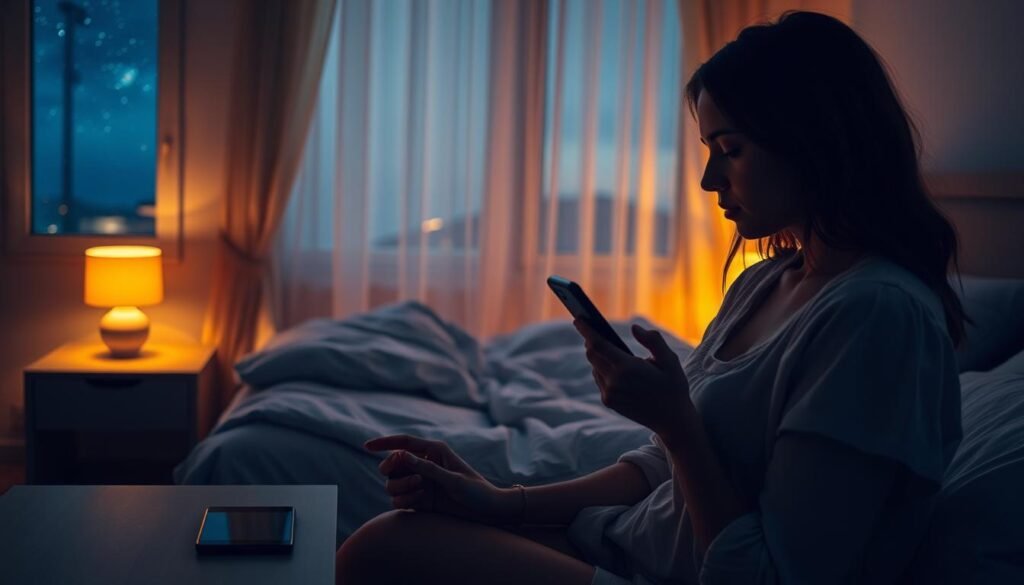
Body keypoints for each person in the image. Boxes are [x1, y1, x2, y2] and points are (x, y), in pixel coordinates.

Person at [335, 11, 965, 585]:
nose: (709, 179)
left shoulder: (878, 317)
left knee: (384, 549)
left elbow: (772, 574)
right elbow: (660, 468)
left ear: (816, 141)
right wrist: (503, 501)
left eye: (731, 150)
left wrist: (676, 422)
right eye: (709, 151)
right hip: (621, 546)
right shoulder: (766, 282)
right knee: (398, 534)